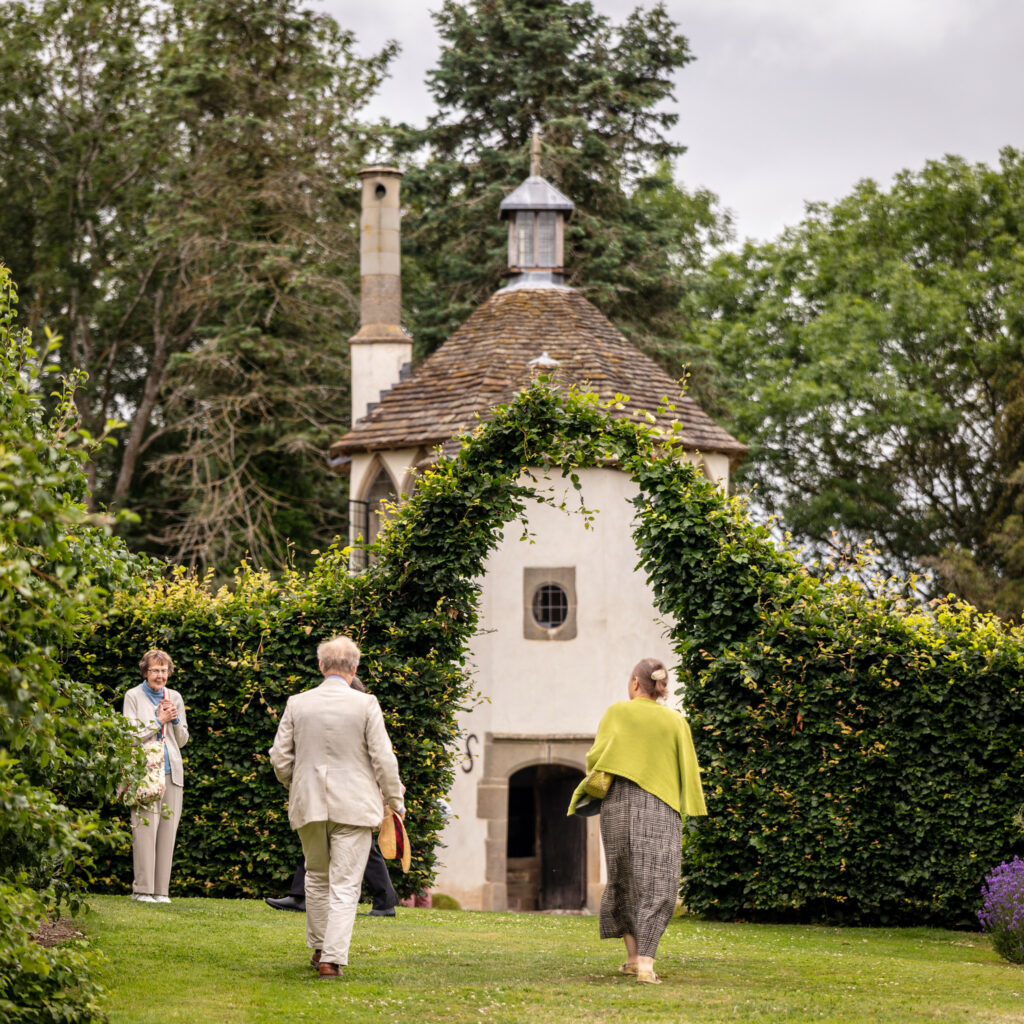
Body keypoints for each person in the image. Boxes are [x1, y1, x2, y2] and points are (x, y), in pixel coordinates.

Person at [270, 636, 405, 978]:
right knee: (345, 883)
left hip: (309, 802)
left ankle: (319, 948)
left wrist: (295, 784)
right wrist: (395, 801)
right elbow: (383, 759)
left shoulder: (298, 703)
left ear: (321, 666)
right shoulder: (366, 704)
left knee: (316, 877)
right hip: (355, 804)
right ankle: (331, 957)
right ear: (354, 668)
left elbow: (279, 757)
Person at [568, 658, 707, 985]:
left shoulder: (617, 712)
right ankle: (645, 962)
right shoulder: (676, 722)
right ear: (659, 687)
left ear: (635, 683)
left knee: (624, 877)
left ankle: (632, 959)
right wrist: (692, 809)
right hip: (661, 806)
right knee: (659, 880)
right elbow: (688, 770)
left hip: (618, 805)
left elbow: (596, 758)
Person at [265, 677, 398, 918]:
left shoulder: (362, 713)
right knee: (323, 845)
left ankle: (384, 901)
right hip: (341, 795)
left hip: (357, 796)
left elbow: (380, 759)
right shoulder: (352, 715)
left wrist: (389, 795)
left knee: (364, 851)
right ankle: (302, 896)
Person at [123, 649, 189, 904]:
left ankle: (161, 892)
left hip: (171, 772)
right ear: (145, 672)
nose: (160, 675)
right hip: (144, 771)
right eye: (155, 670)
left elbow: (182, 740)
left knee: (167, 833)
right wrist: (156, 720)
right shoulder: (133, 696)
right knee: (144, 832)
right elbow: (128, 737)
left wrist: (172, 720)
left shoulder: (175, 697)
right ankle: (142, 890)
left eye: (164, 671)